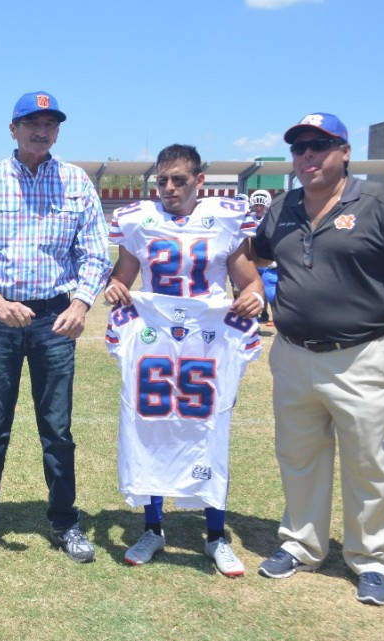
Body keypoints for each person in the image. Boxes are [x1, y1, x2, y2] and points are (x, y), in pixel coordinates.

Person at [252, 113, 384, 606]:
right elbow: (252, 255)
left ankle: (371, 559)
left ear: (345, 151)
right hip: (293, 354)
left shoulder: (381, 203)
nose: (307, 156)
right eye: (299, 149)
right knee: (298, 456)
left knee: (369, 462)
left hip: (361, 356)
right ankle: (301, 544)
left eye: (319, 146)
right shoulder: (283, 206)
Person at [0, 91, 111, 563]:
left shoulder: (76, 182)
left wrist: (81, 304)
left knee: (57, 427)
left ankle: (65, 521)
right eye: (31, 122)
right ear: (13, 128)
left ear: (58, 131)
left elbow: (96, 251)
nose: (41, 130)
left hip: (56, 318)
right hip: (0, 316)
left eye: (50, 123)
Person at [103, 144, 264, 576]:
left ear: (199, 181)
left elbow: (250, 283)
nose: (169, 188)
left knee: (208, 430)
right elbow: (122, 278)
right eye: (162, 180)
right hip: (155, 338)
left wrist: (252, 300)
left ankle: (215, 536)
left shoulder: (226, 220)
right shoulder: (140, 221)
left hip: (207, 340)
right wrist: (115, 291)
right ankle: (153, 528)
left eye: (179, 180)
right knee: (152, 423)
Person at [250, 189, 277, 324]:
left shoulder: (272, 218)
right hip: (252, 259)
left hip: (267, 259)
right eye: (257, 205)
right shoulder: (248, 218)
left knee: (270, 290)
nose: (259, 208)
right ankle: (254, 315)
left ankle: (271, 314)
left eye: (261, 205)